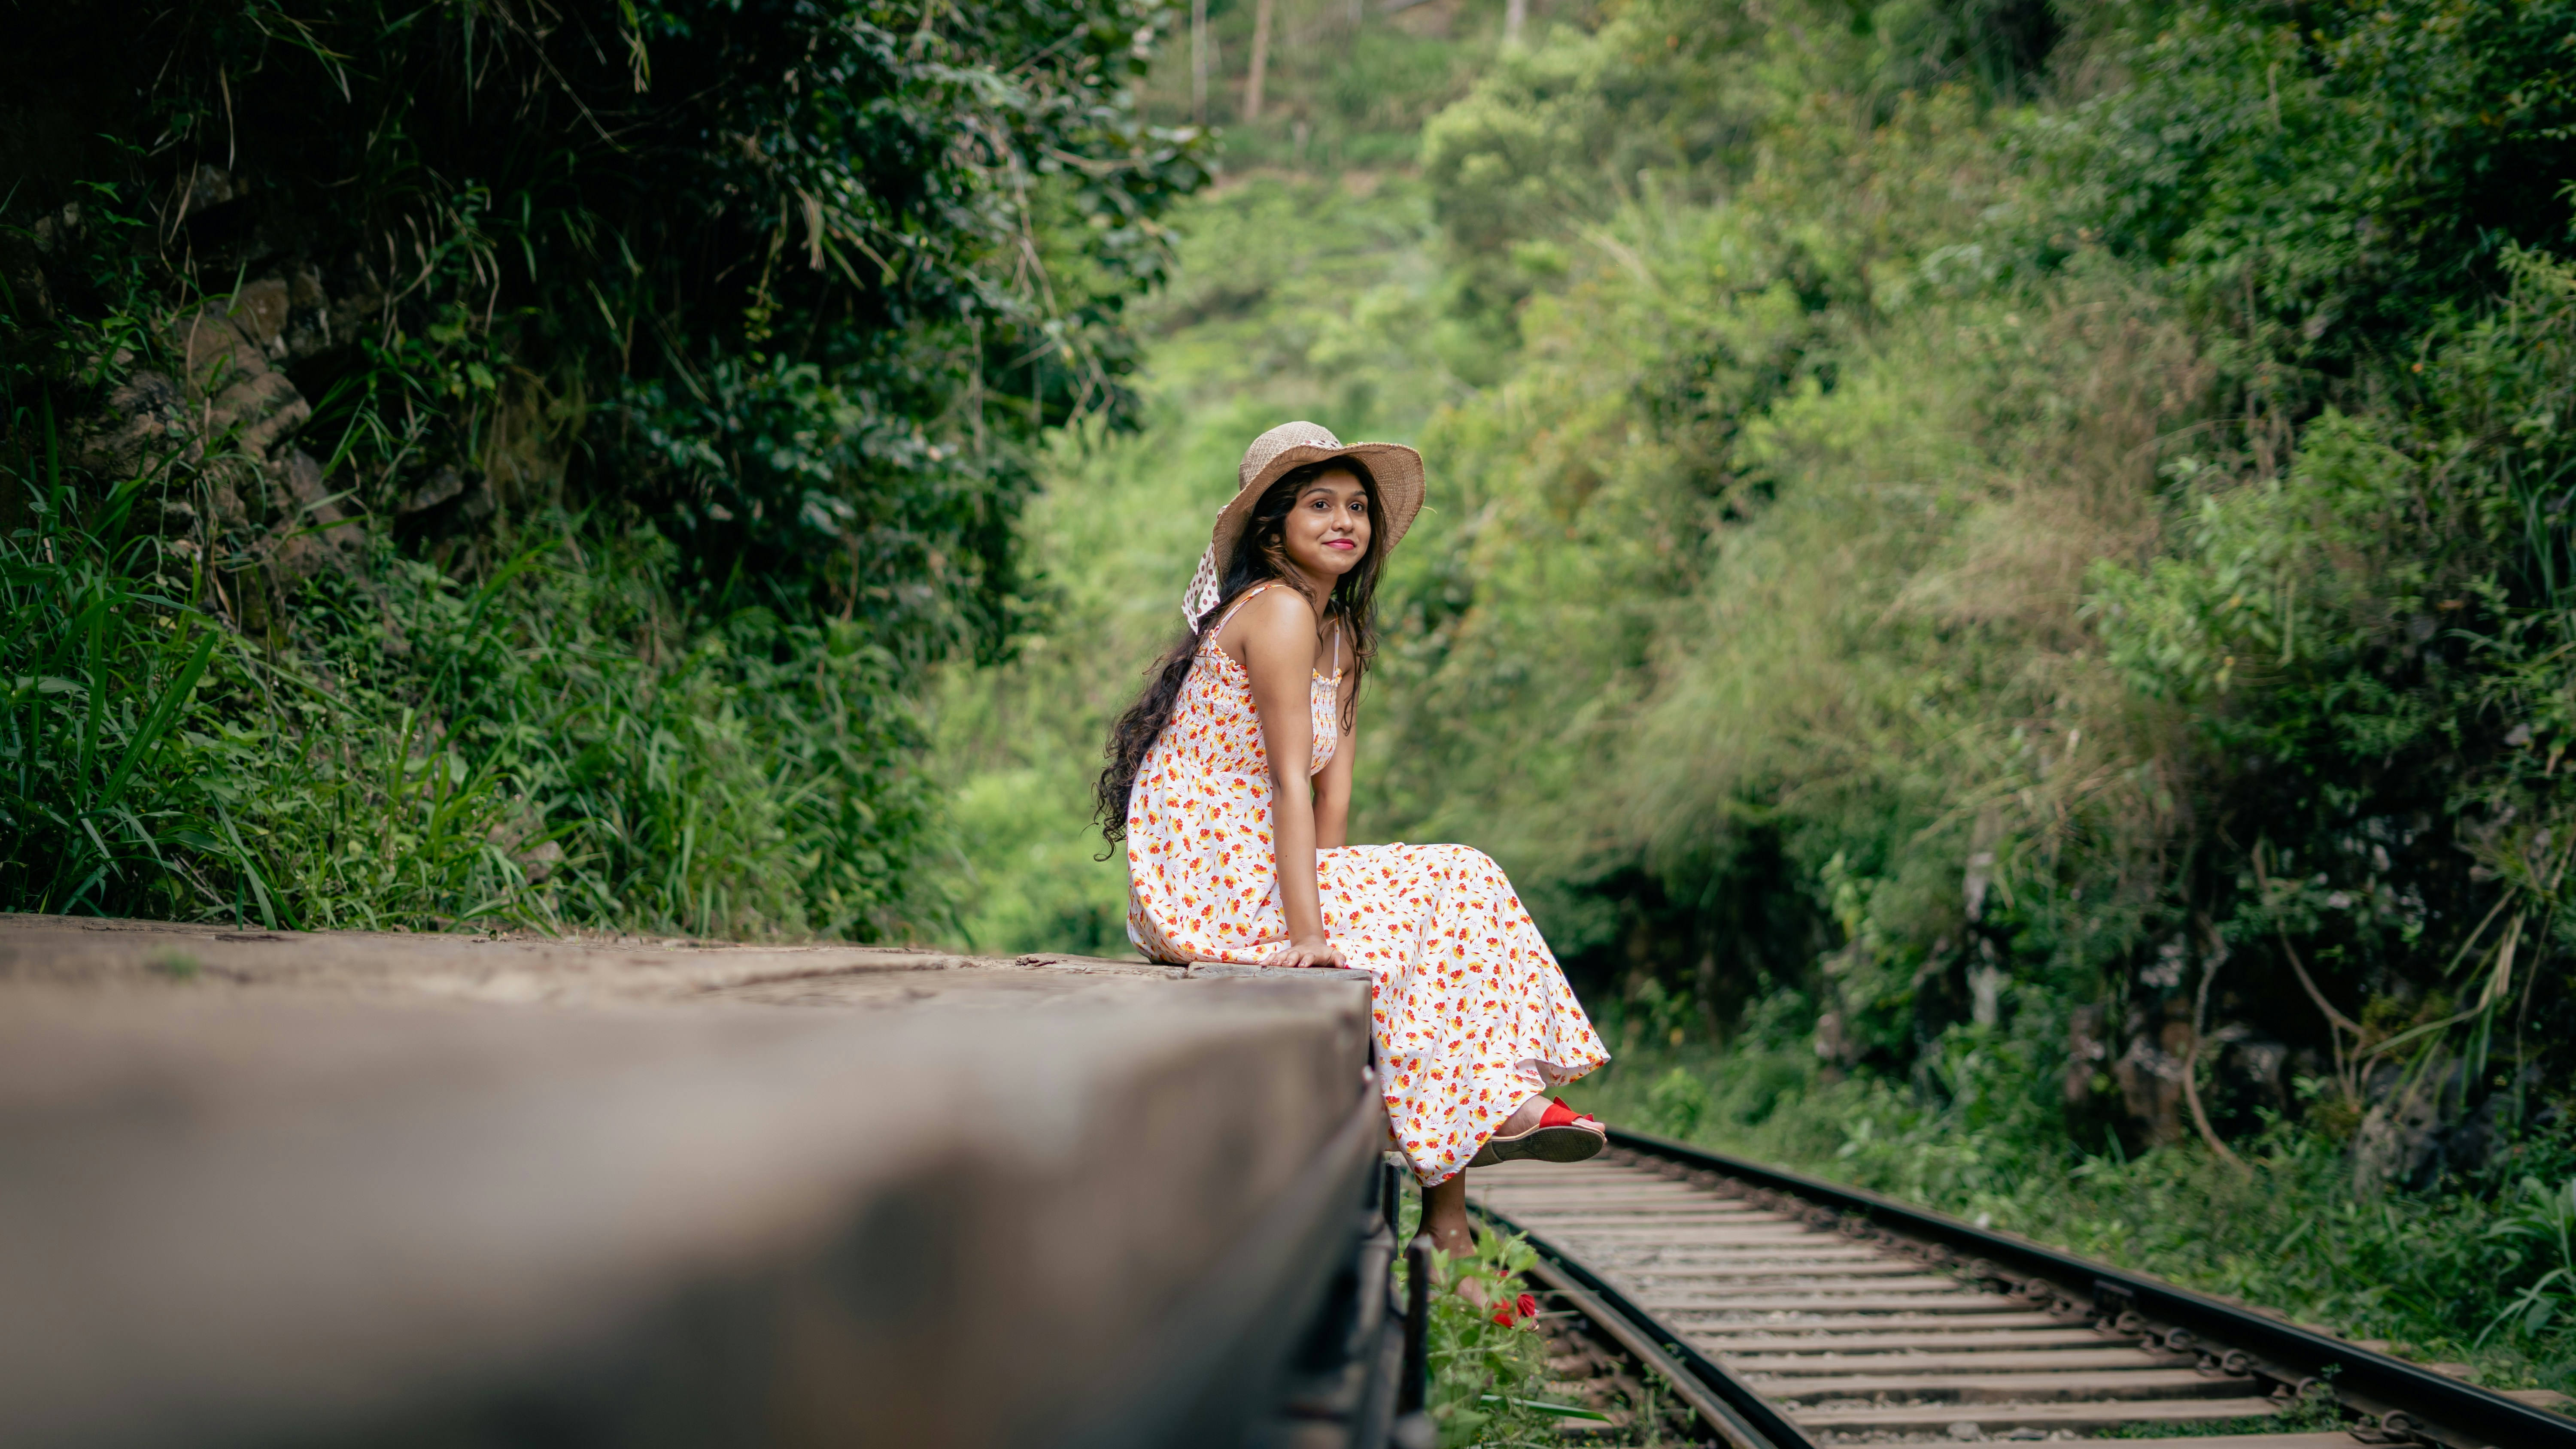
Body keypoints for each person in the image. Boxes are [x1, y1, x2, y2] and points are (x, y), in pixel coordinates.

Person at [1098, 421, 1612, 1258]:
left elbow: (1333, 795)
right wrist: (1309, 933)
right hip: (1207, 872)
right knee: (1455, 879)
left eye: (1358, 508)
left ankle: (1458, 1198)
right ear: (1273, 525)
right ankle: (1491, 1125)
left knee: (1434, 907)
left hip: (1266, 858)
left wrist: (1338, 906)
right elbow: (1284, 781)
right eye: (1319, 504)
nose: (1345, 521)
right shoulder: (1276, 614)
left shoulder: (1337, 632)